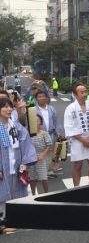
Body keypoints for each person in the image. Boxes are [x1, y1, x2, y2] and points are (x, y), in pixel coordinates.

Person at [0, 97, 37, 233]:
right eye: (5, 107)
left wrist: (26, 162)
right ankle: (3, 222)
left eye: (10, 107)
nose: (9, 109)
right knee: (3, 193)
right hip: (2, 164)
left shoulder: (15, 125)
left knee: (17, 190)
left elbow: (25, 142)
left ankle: (15, 219)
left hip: (15, 162)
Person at [63, 84, 89, 186]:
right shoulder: (70, 108)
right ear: (75, 94)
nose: (84, 94)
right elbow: (69, 126)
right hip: (77, 140)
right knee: (78, 165)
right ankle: (76, 188)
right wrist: (82, 140)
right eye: (81, 92)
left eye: (85, 91)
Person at [34, 90, 64, 177]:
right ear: (36, 99)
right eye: (39, 97)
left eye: (43, 96)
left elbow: (56, 121)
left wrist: (58, 131)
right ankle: (40, 172)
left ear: (47, 98)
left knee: (51, 151)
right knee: (41, 152)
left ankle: (49, 170)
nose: (42, 98)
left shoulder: (51, 109)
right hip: (39, 135)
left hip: (51, 133)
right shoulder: (33, 110)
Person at [28, 114, 52, 195]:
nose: (35, 122)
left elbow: (49, 145)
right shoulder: (28, 133)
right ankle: (33, 194)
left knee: (43, 177)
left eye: (37, 120)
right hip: (31, 157)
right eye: (33, 120)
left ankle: (46, 193)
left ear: (41, 122)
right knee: (32, 177)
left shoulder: (44, 133)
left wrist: (43, 154)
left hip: (41, 156)